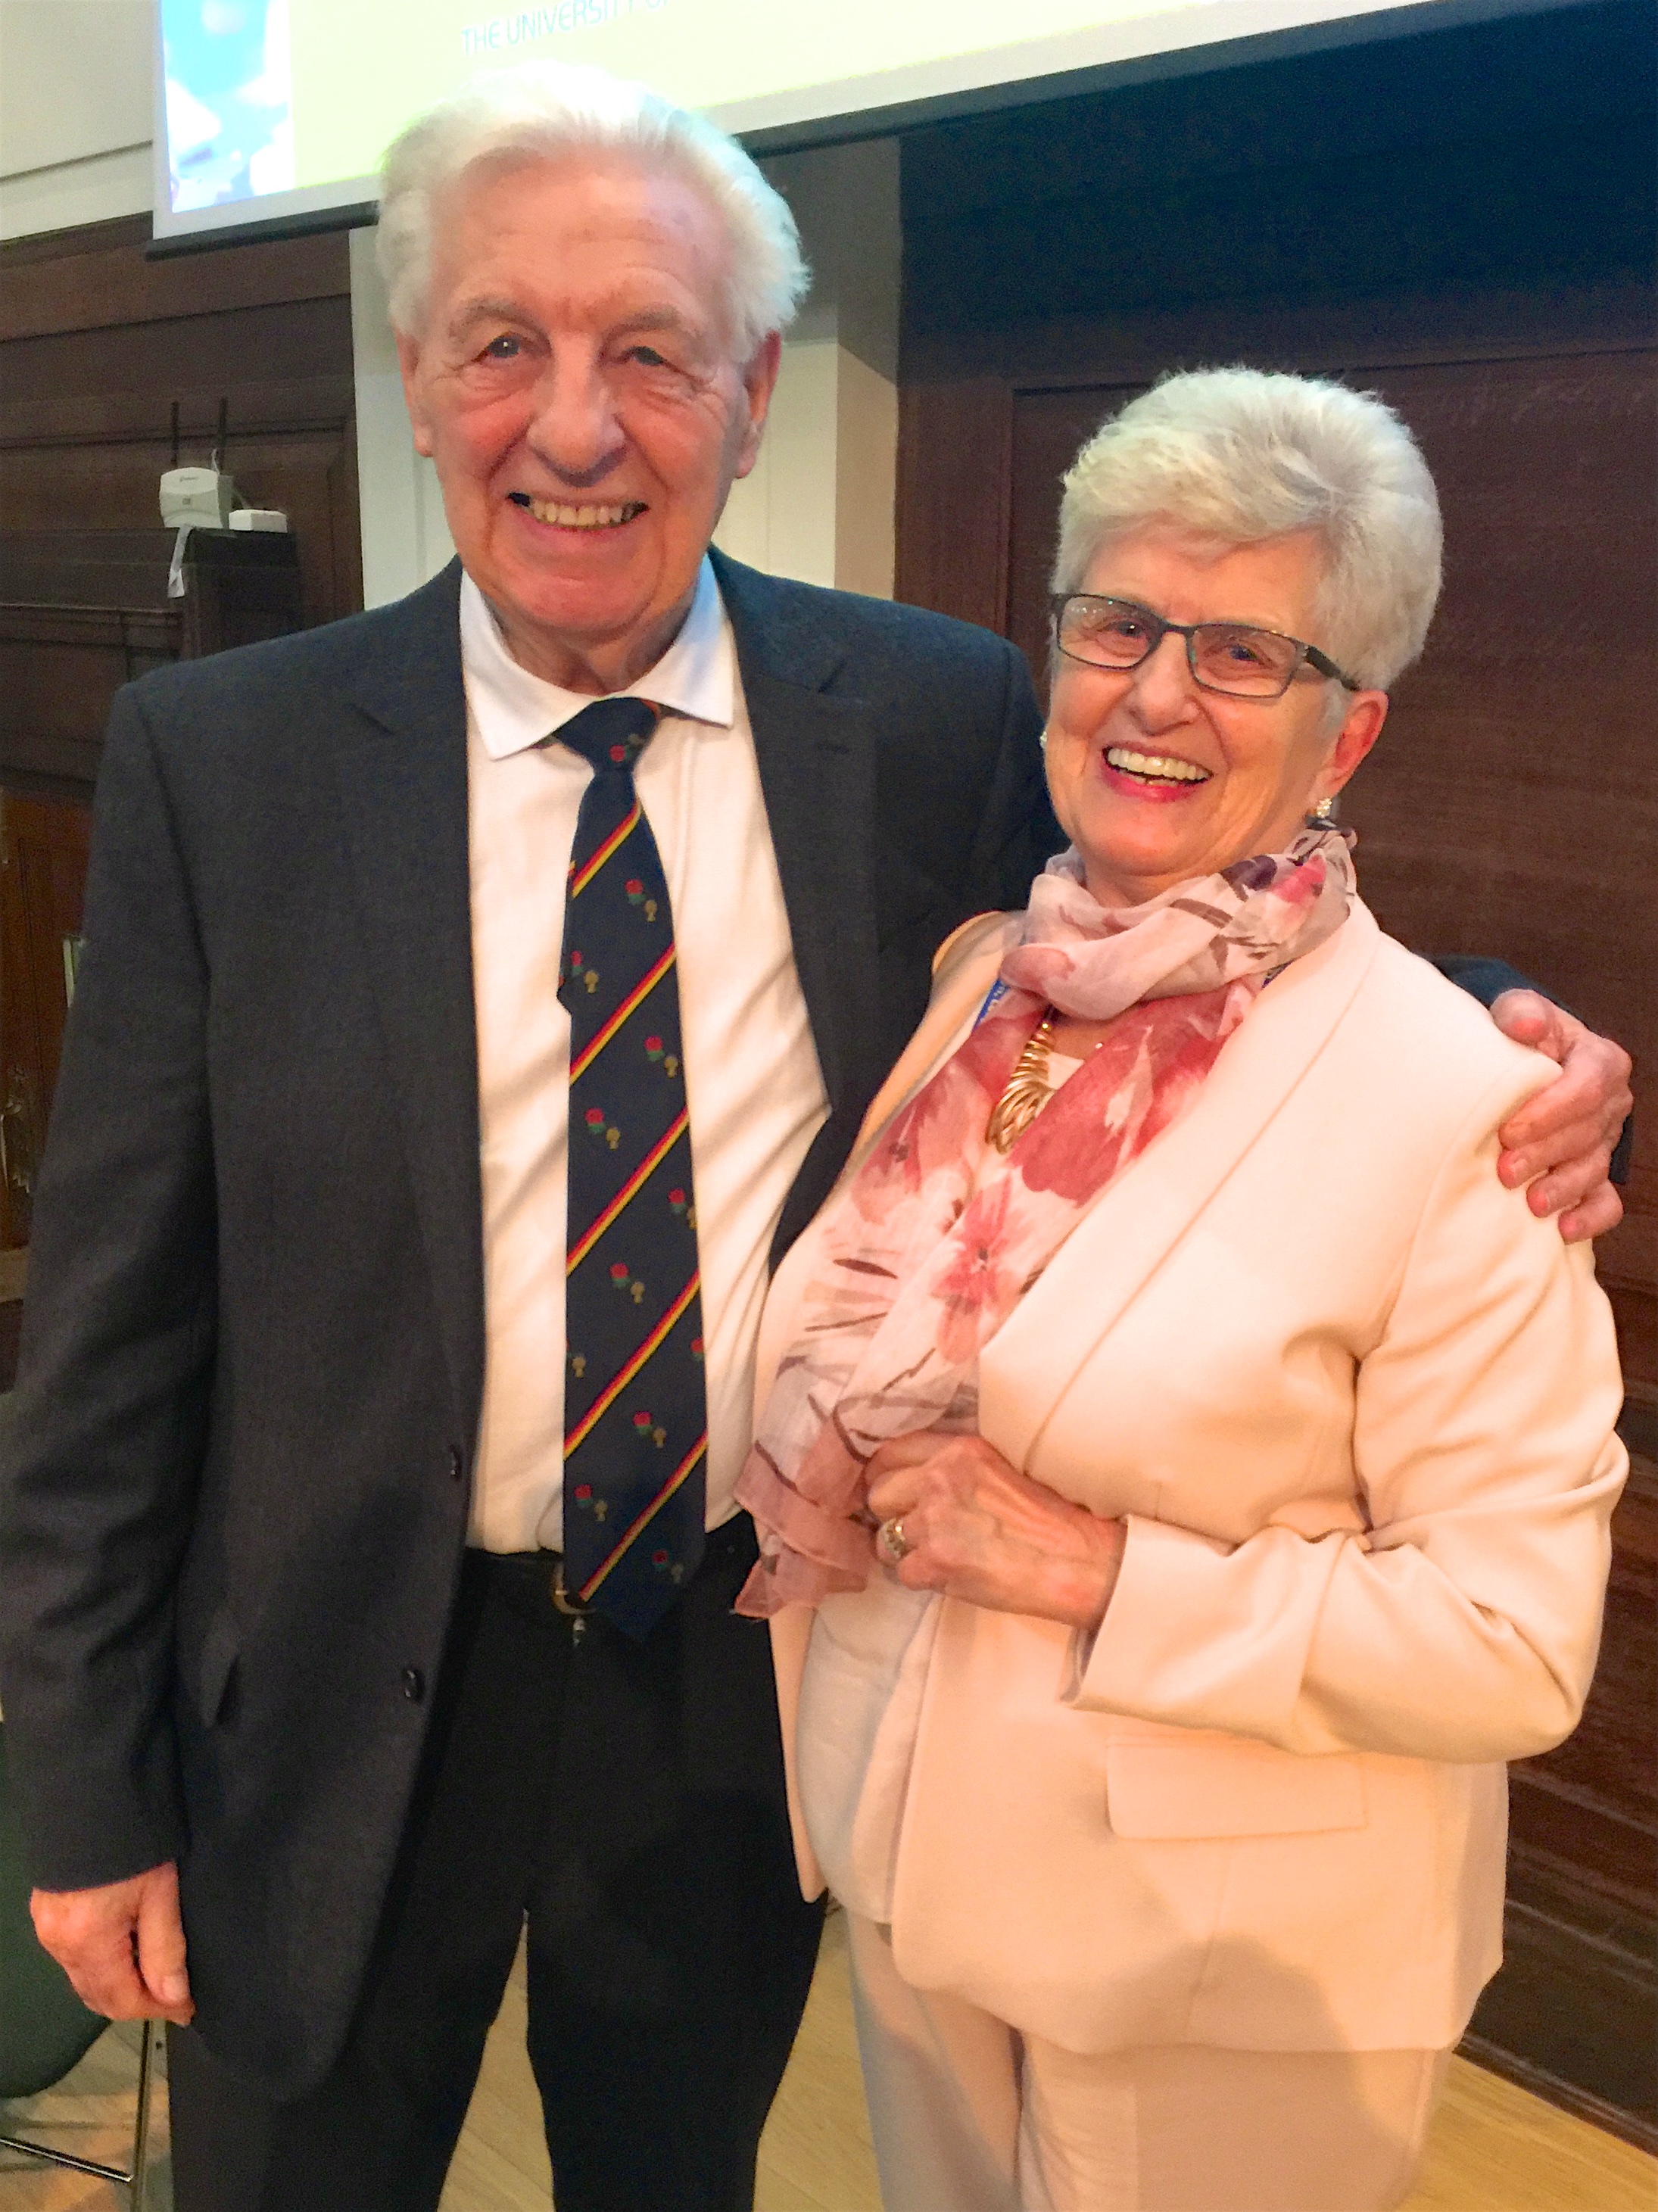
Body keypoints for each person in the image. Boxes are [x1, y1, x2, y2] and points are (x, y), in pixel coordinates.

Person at [0, 61, 1629, 2212]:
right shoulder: (226, 762)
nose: (574, 428)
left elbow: (1192, 890)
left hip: (728, 1673)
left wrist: (1502, 1015)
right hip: (319, 1690)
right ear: (416, 381)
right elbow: (108, 1339)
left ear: (753, 393)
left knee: (673, 2179)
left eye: (650, 354)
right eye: (502, 344)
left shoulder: (926, 715)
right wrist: (82, 1787)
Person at [738, 369, 1629, 2212]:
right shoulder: (985, 983)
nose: (1156, 694)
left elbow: (1513, 1638)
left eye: (1243, 654)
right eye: (1119, 624)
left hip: (1216, 1960)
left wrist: (1097, 1569)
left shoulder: (1466, 1104)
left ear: (1348, 730)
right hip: (914, 1881)